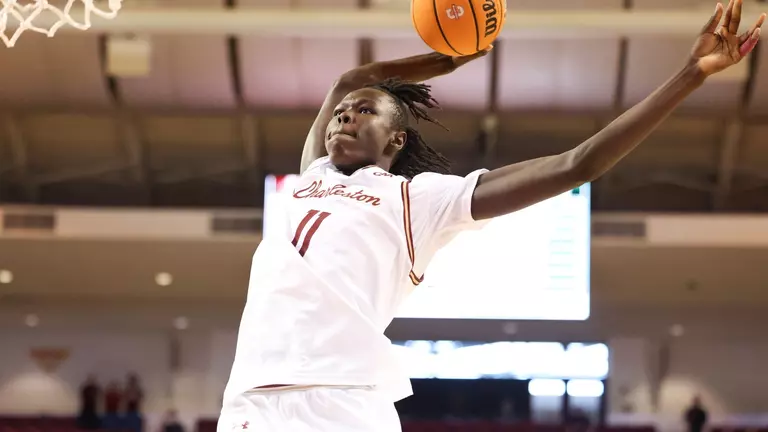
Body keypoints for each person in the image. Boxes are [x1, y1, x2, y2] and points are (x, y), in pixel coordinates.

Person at [218, 2, 764, 431]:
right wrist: (448, 58)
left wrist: (690, 75)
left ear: (397, 137)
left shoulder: (421, 200)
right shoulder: (313, 174)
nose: (343, 115)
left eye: (364, 111)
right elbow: (352, 77)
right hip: (252, 398)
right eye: (340, 113)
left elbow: (577, 165)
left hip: (345, 402)